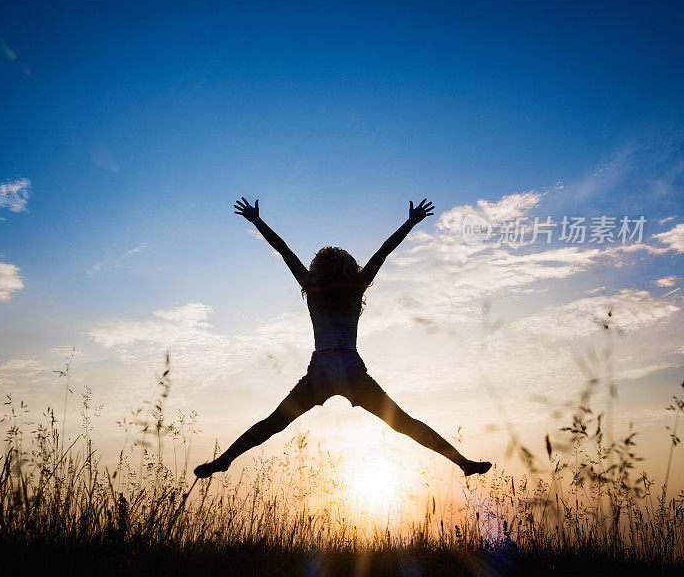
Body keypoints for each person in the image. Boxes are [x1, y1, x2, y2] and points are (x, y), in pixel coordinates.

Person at [193, 197, 492, 478]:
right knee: (404, 423)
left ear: (318, 268)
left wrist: (257, 221)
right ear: (350, 268)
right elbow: (385, 250)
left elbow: (284, 250)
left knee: (274, 423)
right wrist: (411, 222)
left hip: (321, 370)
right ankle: (462, 462)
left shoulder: (311, 287)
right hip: (351, 370)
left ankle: (225, 460)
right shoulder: (357, 286)